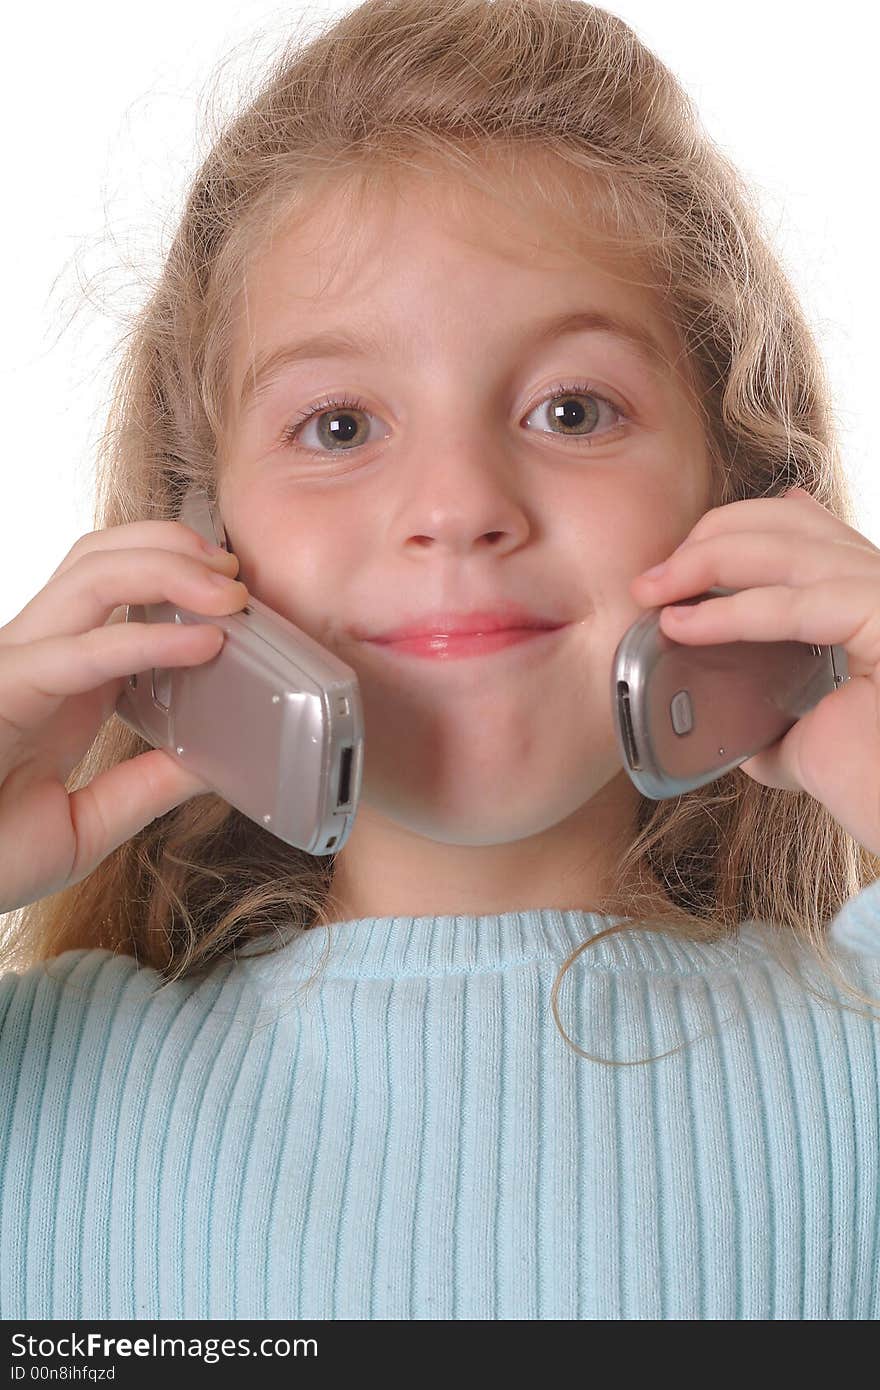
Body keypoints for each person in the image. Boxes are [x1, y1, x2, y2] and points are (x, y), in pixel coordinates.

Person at [1, 0, 879, 1320]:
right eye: (340, 422)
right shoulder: (44, 1086)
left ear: (740, 500)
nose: (458, 500)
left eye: (571, 408)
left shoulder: (855, 1050)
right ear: (197, 535)